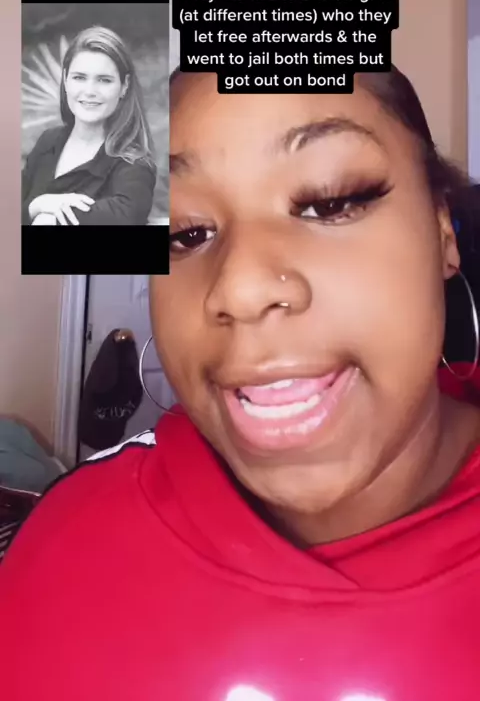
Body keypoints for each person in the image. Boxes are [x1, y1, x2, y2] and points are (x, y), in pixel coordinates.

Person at [2, 65, 480, 700]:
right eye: (185, 233)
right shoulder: (69, 549)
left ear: (443, 231)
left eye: (330, 200)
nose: (241, 288)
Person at [21, 26, 157, 226]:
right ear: (65, 80)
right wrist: (38, 205)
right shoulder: (48, 141)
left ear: (124, 86)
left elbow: (126, 215)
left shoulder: (134, 161)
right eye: (79, 77)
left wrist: (50, 219)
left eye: (104, 80)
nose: (90, 91)